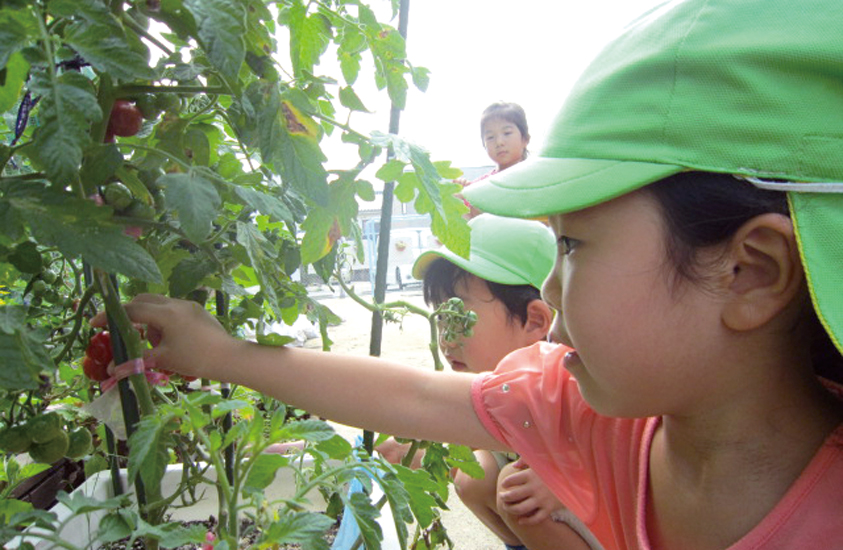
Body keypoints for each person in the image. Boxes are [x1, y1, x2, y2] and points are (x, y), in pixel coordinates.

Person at [94, 0, 843, 548]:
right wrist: (221, 355)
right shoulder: (601, 409)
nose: (550, 289)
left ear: (748, 271)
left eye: (574, 246)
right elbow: (422, 395)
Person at [376, 214, 597, 550]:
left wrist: (567, 477)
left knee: (515, 486)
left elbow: (623, 450)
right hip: (551, 507)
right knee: (475, 477)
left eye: (458, 317)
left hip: (604, 518)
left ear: (535, 320)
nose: (445, 339)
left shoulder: (575, 378)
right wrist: (417, 447)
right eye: (440, 317)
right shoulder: (498, 385)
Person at [457, 102, 530, 218]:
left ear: (525, 139)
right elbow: (471, 226)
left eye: (507, 133)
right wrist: (459, 200)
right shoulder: (478, 187)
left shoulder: (538, 180)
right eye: (490, 137)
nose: (499, 142)